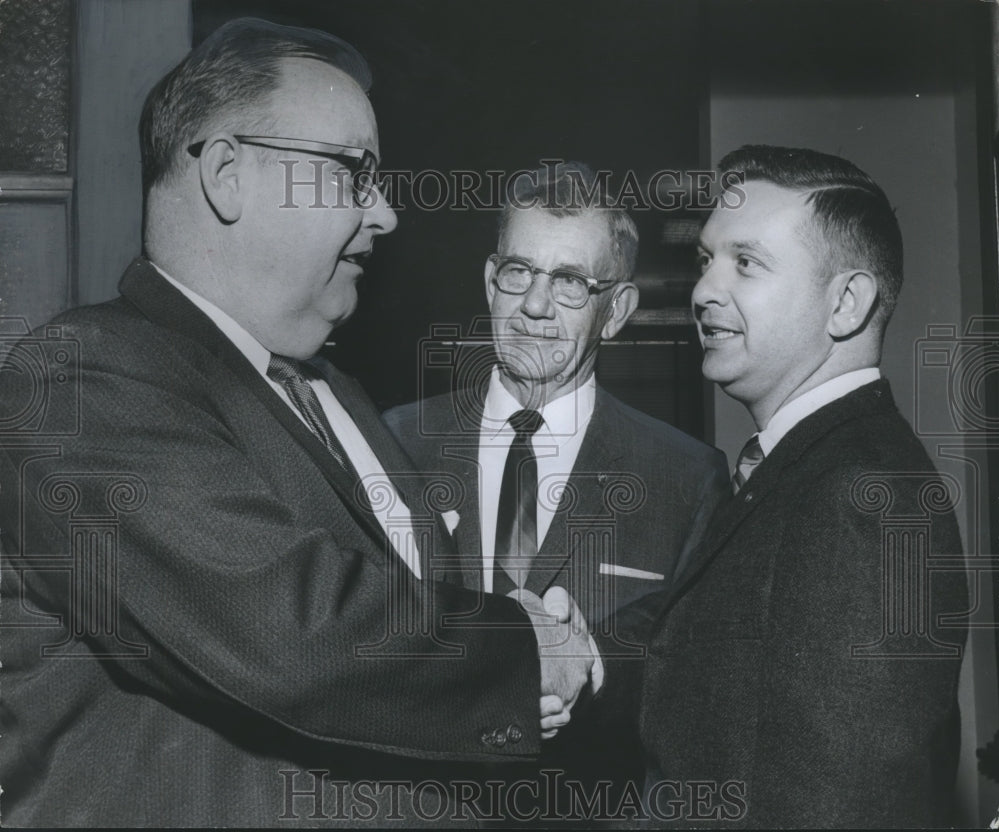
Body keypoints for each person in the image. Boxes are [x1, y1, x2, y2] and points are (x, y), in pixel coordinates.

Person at [0, 19, 595, 827]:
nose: (384, 215)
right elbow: (289, 632)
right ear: (227, 174)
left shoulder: (336, 394)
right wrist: (522, 652)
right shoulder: (77, 380)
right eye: (353, 173)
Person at [635, 145, 968, 827]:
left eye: (746, 263)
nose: (702, 291)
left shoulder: (866, 496)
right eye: (706, 260)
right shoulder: (801, 468)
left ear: (845, 302)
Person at [384, 162, 729, 810]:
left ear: (617, 310)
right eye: (519, 272)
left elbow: (701, 684)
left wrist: (591, 664)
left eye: (570, 282)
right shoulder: (393, 445)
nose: (535, 306)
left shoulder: (685, 481)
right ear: (491, 282)